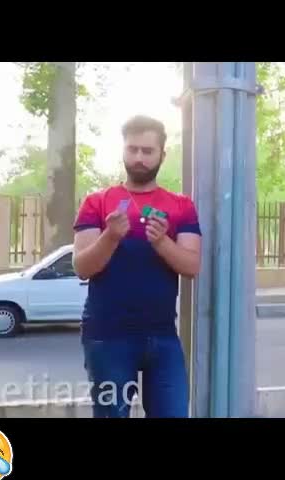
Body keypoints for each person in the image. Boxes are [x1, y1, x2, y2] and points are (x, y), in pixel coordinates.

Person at [72, 115, 202, 418]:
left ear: (162, 155)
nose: (139, 158)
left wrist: (162, 242)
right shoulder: (97, 202)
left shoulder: (181, 206)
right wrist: (111, 236)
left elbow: (192, 266)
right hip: (107, 336)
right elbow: (82, 267)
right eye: (133, 149)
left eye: (147, 151)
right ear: (123, 150)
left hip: (162, 335)